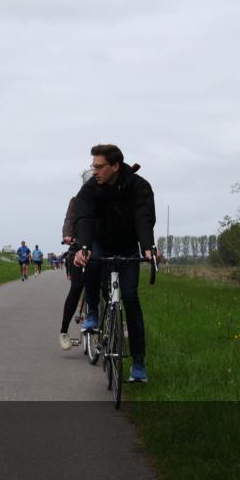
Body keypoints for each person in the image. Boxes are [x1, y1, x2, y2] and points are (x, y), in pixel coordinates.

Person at [73, 145, 160, 382]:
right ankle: (92, 309)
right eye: (93, 166)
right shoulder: (91, 188)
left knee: (130, 299)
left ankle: (139, 364)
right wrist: (84, 247)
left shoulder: (139, 186)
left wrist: (149, 247)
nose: (95, 171)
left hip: (128, 247)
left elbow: (144, 218)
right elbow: (84, 218)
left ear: (115, 166)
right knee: (90, 264)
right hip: (101, 242)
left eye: (99, 166)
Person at [58, 169, 94, 350]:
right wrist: (67, 235)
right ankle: (64, 331)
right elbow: (69, 220)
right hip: (78, 247)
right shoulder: (76, 201)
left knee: (106, 287)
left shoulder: (105, 199)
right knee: (77, 287)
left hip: (99, 249)